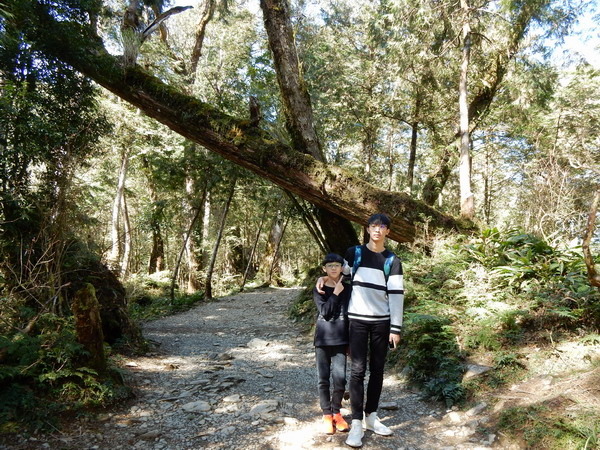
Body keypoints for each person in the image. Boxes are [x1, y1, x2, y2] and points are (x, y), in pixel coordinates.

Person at [317, 213, 404, 448]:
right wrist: (324, 277)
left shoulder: (392, 260)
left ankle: (372, 418)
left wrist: (395, 327)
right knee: (357, 371)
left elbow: (396, 295)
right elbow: (339, 273)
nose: (377, 229)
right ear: (367, 229)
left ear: (388, 231)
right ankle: (356, 422)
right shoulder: (354, 253)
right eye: (374, 225)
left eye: (382, 226)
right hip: (356, 320)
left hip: (382, 322)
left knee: (377, 370)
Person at [312, 253, 352, 435]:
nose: (334, 268)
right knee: (323, 378)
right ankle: (326, 414)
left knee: (340, 378)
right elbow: (325, 312)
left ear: (342, 268)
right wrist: (335, 293)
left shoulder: (349, 288)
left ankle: (336, 411)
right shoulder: (318, 289)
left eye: (337, 265)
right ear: (324, 269)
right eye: (330, 266)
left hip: (341, 338)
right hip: (323, 338)